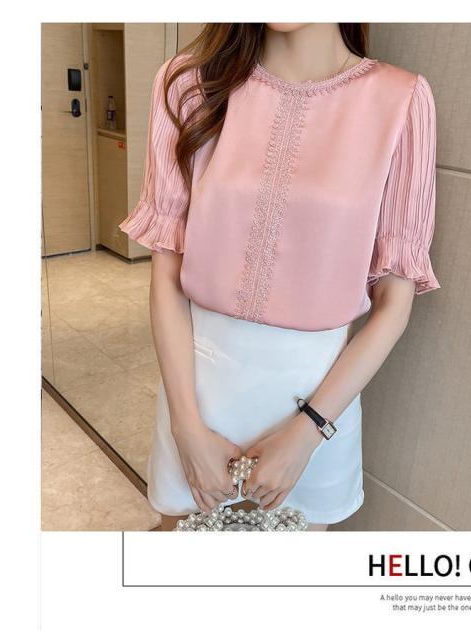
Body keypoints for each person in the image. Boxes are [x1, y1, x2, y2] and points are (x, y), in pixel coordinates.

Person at [118, 23, 440, 532]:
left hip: (320, 402)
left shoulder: (402, 101)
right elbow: (166, 280)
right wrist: (186, 427)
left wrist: (309, 433)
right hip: (197, 394)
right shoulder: (188, 86)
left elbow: (394, 305)